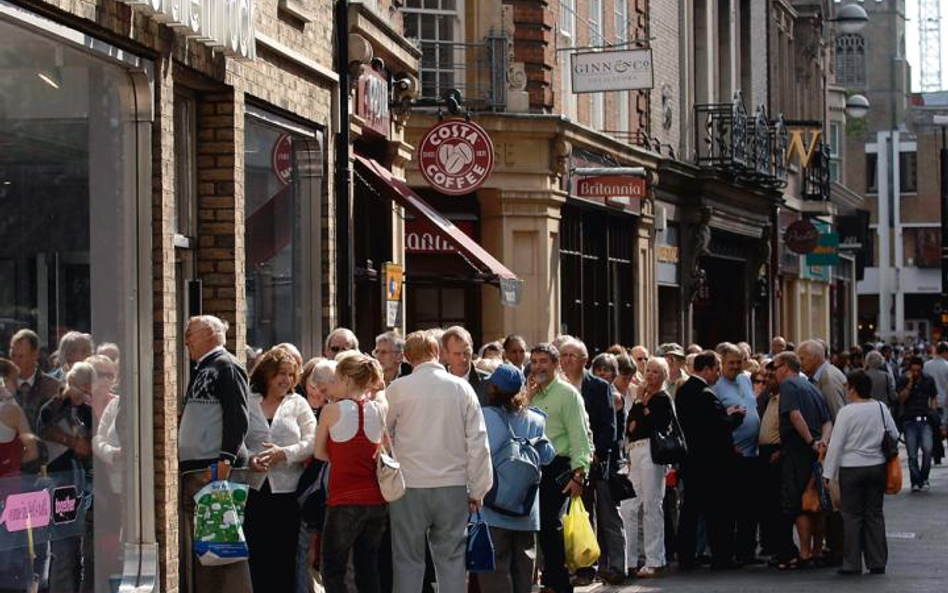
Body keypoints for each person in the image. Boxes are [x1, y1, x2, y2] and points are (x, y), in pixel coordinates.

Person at [385, 331, 492, 593]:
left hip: (408, 485)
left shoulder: (398, 389)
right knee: (453, 561)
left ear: (408, 357)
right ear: (437, 352)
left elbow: (382, 436)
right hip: (452, 485)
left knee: (407, 560)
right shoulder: (461, 387)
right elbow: (478, 442)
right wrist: (479, 488)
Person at [178, 315, 252, 593]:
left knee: (223, 543)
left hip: (214, 468)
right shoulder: (203, 367)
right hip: (200, 468)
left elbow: (238, 415)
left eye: (190, 334)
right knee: (209, 545)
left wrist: (225, 459)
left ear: (209, 333)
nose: (186, 340)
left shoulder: (226, 365)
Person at [314, 353, 389, 593]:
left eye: (336, 379)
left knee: (332, 568)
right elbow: (383, 448)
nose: (333, 384)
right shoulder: (378, 409)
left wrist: (340, 457)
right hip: (376, 501)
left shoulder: (331, 411)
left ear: (347, 379)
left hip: (343, 500)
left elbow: (319, 453)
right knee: (368, 567)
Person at [478, 364, 555, 593]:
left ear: (493, 388)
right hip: (526, 511)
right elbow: (548, 457)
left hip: (491, 509)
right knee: (523, 573)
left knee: (494, 574)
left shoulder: (484, 417)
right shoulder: (534, 419)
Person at [243, 348, 316, 593]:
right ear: (266, 375)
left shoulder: (298, 404)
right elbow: (235, 438)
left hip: (287, 494)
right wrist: (250, 459)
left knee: (284, 558)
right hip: (253, 491)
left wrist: (284, 453)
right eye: (280, 374)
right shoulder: (248, 400)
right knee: (256, 555)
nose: (285, 379)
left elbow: (313, 441)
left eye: (290, 374)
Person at [525, 343, 592, 593]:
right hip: (533, 467)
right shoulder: (530, 392)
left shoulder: (567, 394)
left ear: (555, 364)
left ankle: (558, 583)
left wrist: (579, 474)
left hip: (558, 467)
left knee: (551, 526)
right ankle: (547, 580)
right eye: (534, 361)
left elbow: (579, 436)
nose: (538, 366)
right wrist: (528, 398)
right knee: (538, 527)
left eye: (544, 361)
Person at [822, 371, 898, 576]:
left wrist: (827, 473)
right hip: (877, 467)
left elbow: (836, 444)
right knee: (874, 514)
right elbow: (895, 434)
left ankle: (852, 564)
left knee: (852, 516)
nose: (846, 389)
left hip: (851, 468)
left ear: (854, 388)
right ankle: (877, 561)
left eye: (848, 386)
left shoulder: (847, 412)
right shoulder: (881, 407)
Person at [675, 351, 744, 570]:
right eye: (716, 369)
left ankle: (686, 556)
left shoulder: (684, 390)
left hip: (692, 462)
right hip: (711, 464)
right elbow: (717, 427)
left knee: (691, 511)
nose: (718, 374)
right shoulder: (705, 393)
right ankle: (722, 556)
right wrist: (735, 417)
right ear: (705, 369)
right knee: (718, 511)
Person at [772, 352, 832, 570]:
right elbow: (827, 421)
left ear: (786, 367)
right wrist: (822, 443)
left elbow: (795, 415)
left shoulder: (789, 386)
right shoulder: (812, 387)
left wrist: (810, 442)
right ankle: (817, 550)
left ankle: (805, 553)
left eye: (776, 367)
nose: (774, 372)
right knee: (816, 502)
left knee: (800, 504)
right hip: (815, 453)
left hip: (799, 452)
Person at [39, 361, 95, 593]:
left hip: (84, 485)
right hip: (61, 484)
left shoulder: (87, 412)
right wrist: (72, 441)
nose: (87, 394)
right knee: (63, 549)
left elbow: (89, 446)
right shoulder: (52, 408)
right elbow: (45, 430)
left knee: (79, 552)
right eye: (83, 389)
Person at [624, 357, 674, 578]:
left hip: (653, 453)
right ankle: (629, 559)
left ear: (664, 375)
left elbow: (657, 424)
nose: (650, 375)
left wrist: (643, 407)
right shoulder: (639, 399)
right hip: (635, 451)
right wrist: (640, 406)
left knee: (652, 505)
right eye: (648, 371)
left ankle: (655, 559)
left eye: (656, 371)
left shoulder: (663, 399)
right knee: (629, 505)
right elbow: (631, 427)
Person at [712, 342, 761, 564]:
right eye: (731, 362)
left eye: (738, 362)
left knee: (750, 507)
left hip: (753, 455)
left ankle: (747, 551)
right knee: (733, 506)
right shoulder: (717, 386)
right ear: (721, 363)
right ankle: (731, 552)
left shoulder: (745, 379)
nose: (735, 366)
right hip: (733, 455)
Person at [586, 353, 627, 585]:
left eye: (607, 370)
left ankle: (617, 566)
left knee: (610, 517)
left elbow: (613, 434)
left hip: (608, 465)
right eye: (599, 369)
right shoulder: (593, 393)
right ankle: (600, 566)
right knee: (593, 518)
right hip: (594, 464)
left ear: (614, 374)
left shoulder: (615, 397)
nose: (602, 373)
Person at [897, 356, 938, 492]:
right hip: (909, 421)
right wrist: (909, 384)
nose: (915, 373)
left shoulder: (928, 380)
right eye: (913, 370)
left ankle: (924, 477)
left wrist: (933, 410)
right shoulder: (904, 379)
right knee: (912, 454)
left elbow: (933, 396)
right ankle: (915, 480)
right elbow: (901, 399)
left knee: (927, 450)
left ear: (922, 369)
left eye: (918, 371)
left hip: (925, 419)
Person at [10, 328, 60, 434]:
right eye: (13, 355)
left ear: (35, 355)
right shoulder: (3, 387)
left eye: (21, 356)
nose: (15, 361)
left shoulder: (53, 387)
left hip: (41, 448)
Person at [757, 361, 783, 558]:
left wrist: (781, 449)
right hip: (764, 453)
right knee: (766, 501)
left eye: (770, 376)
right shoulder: (765, 397)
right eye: (764, 376)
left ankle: (777, 545)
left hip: (777, 454)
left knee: (776, 502)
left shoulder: (784, 397)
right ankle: (769, 544)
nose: (766, 380)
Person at [0, 359, 39, 476]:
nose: (18, 386)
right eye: (15, 380)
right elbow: (33, 452)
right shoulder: (13, 410)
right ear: (4, 381)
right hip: (8, 484)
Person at [441, 326, 491, 404]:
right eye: (457, 354)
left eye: (466, 353)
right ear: (445, 354)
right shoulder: (436, 382)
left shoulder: (488, 382)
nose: (463, 359)